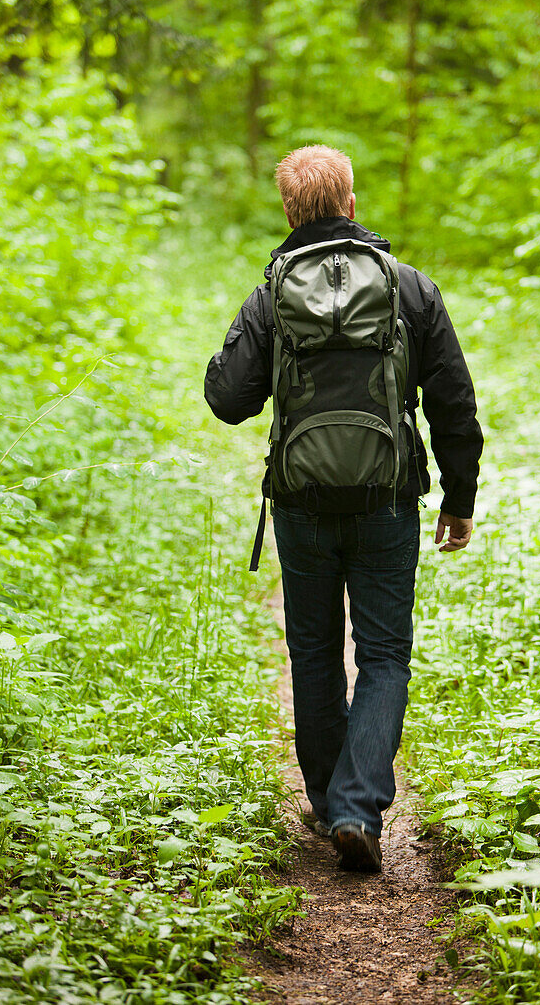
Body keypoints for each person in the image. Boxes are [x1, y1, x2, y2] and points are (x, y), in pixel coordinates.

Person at [204, 145, 483, 872]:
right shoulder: (409, 289)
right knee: (384, 653)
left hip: (300, 500)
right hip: (386, 499)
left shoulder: (271, 294)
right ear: (351, 204)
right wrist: (459, 497)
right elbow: (453, 402)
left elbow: (227, 399)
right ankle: (358, 807)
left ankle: (333, 806)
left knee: (315, 649)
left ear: (290, 212)